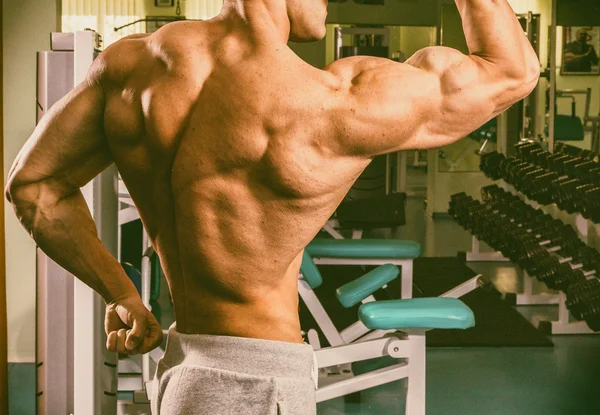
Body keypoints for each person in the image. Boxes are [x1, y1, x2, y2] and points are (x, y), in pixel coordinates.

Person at [5, 0, 539, 413]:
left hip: (181, 367)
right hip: (262, 384)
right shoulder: (333, 100)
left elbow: (33, 187)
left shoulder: (129, 67)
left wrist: (122, 293)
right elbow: (512, 71)